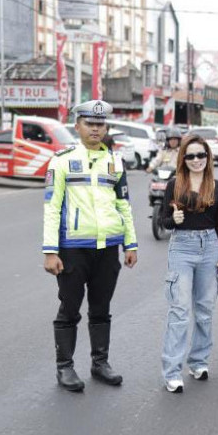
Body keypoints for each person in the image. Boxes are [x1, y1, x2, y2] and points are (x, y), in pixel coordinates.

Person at [42, 99, 138, 392]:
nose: (95, 128)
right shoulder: (61, 160)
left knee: (101, 307)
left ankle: (100, 364)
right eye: (89, 123)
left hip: (107, 247)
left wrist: (130, 244)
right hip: (73, 247)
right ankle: (65, 367)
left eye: (100, 124)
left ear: (106, 127)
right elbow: (52, 207)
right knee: (70, 307)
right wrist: (50, 251)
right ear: (78, 126)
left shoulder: (115, 161)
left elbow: (123, 205)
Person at [158, 134, 218, 393]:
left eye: (201, 155)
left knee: (205, 310)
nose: (196, 160)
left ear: (208, 157)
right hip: (182, 247)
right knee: (179, 311)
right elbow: (163, 221)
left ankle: (198, 361)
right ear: (183, 159)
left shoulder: (216, 186)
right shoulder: (174, 184)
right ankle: (172, 371)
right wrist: (173, 220)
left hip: (210, 246)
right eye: (191, 156)